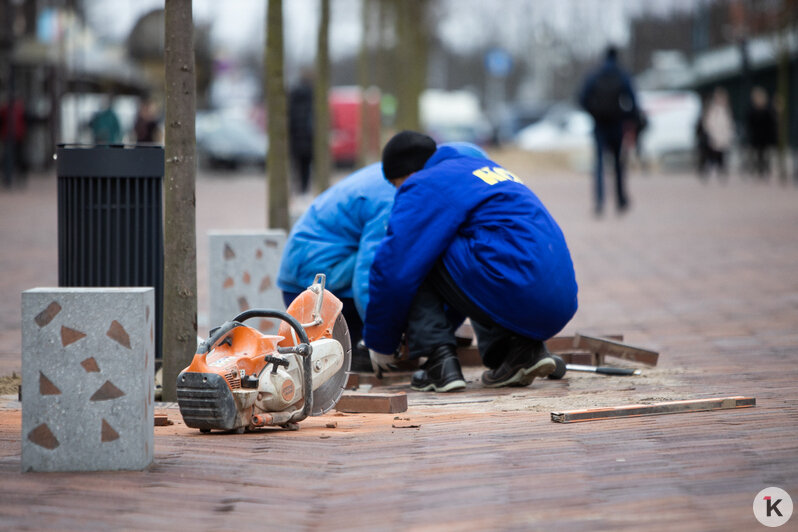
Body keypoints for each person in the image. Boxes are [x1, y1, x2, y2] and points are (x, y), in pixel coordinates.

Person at [364, 131, 578, 392]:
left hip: (514, 282)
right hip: (559, 297)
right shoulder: (481, 168)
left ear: (407, 175)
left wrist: (381, 342)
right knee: (474, 247)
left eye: (396, 185)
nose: (399, 192)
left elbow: (393, 268)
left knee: (416, 249)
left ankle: (439, 363)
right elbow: (460, 287)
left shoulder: (424, 183)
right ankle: (521, 352)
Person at [277, 141, 489, 372]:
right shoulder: (397, 195)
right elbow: (374, 271)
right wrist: (380, 341)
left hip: (326, 272)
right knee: (413, 260)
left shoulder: (408, 175)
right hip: (313, 288)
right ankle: (364, 346)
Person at [579, 46, 638, 215]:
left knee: (598, 164)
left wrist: (594, 113)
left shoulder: (595, 74)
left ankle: (599, 202)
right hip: (616, 125)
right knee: (619, 165)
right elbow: (633, 100)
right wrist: (627, 116)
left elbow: (581, 98)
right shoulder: (622, 74)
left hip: (599, 125)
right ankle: (620, 201)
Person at [288, 71, 314, 194]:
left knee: (295, 166)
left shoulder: (292, 99)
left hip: (295, 142)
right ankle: (304, 188)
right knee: (306, 167)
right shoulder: (312, 99)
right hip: (309, 141)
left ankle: (296, 188)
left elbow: (289, 123)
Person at [700, 87, 734, 178]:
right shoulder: (712, 109)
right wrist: (711, 134)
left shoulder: (726, 109)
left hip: (723, 136)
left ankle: (721, 171)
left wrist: (728, 134)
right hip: (714, 135)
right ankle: (709, 169)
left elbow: (728, 124)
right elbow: (708, 123)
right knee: (713, 154)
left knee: (721, 155)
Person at [746, 86, 777, 179]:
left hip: (765, 137)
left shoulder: (768, 110)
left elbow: (772, 123)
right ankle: (758, 170)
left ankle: (764, 170)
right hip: (756, 137)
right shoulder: (752, 110)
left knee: (766, 156)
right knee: (757, 155)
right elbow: (749, 123)